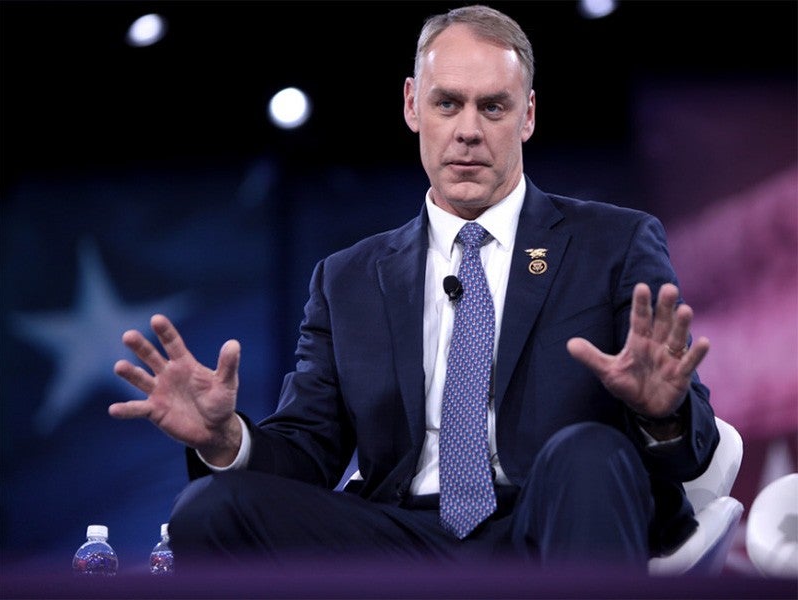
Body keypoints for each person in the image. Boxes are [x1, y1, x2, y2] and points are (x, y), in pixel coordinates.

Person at [110, 4, 717, 573]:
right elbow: (307, 453)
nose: (469, 131)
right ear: (411, 106)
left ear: (528, 115)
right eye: (448, 104)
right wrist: (226, 439)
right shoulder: (348, 277)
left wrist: (659, 411)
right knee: (209, 510)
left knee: (588, 451)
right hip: (400, 535)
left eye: (494, 108)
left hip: (554, 520)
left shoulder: (613, 243)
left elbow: (691, 448)